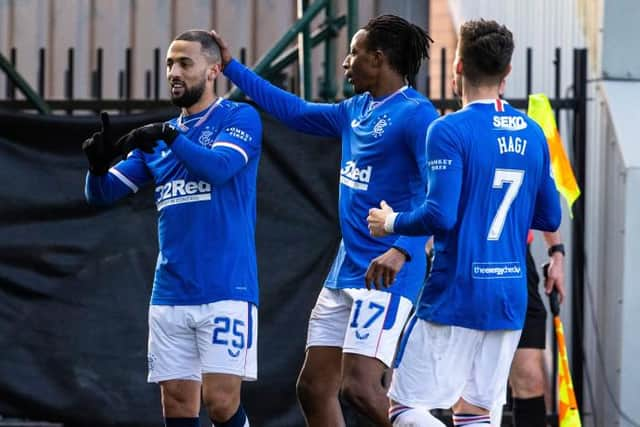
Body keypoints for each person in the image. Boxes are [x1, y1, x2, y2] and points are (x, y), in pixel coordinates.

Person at [211, 14, 439, 427]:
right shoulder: (355, 109)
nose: (345, 62)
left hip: (387, 272)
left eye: (353, 53)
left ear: (379, 58)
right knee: (314, 387)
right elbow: (295, 112)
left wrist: (402, 250)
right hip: (346, 270)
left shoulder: (417, 114)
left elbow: (435, 192)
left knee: (361, 388)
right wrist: (232, 69)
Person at [366, 19, 562, 427]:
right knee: (474, 413)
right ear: (507, 73)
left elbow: (440, 214)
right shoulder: (533, 132)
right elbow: (549, 215)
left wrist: (391, 221)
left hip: (458, 290)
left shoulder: (448, 129)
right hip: (508, 295)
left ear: (456, 67)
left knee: (403, 408)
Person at [82, 30, 262, 427]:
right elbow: (103, 194)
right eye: (169, 64)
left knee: (220, 402)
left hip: (226, 288)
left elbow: (218, 169)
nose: (173, 72)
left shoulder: (239, 118)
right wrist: (95, 169)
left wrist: (169, 136)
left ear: (213, 70)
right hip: (170, 292)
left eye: (185, 63)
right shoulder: (161, 138)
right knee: (178, 404)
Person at [507, 231, 566, 427]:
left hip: (517, 261)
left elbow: (546, 206)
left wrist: (557, 254)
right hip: (467, 257)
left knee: (530, 377)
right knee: (471, 388)